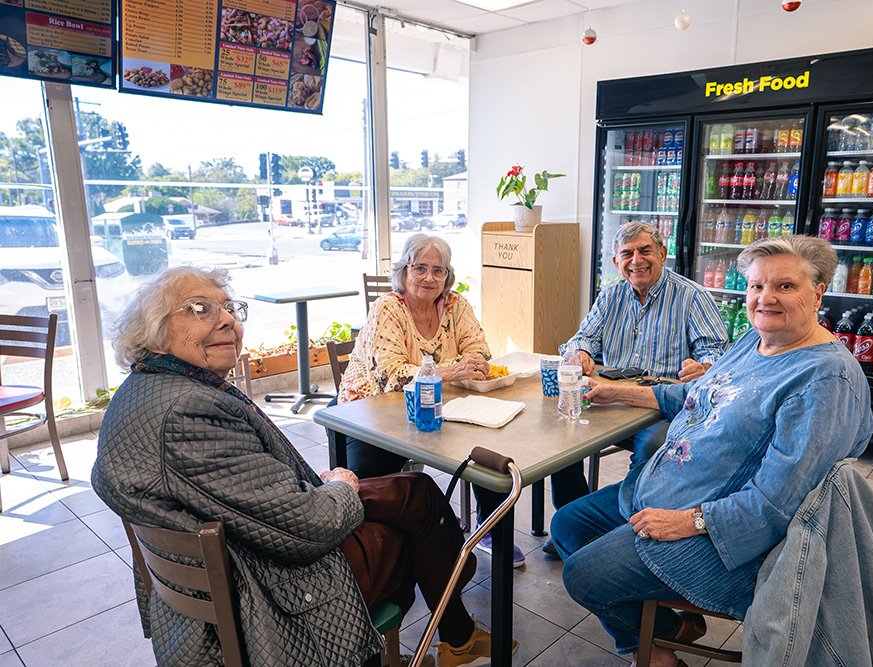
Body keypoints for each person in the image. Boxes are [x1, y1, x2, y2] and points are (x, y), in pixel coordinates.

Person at [92, 266, 511, 667]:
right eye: (201, 309)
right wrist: (340, 487)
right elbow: (311, 527)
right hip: (272, 592)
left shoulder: (146, 389)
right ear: (154, 331)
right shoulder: (186, 414)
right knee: (417, 526)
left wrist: (324, 486)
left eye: (230, 308)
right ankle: (450, 622)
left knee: (415, 491)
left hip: (252, 547)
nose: (228, 321)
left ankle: (449, 626)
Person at [550, 236, 873, 667]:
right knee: (568, 524)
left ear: (817, 293)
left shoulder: (824, 379)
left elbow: (778, 502)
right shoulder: (753, 340)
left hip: (725, 535)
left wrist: (690, 521)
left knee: (583, 575)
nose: (765, 298)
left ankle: (656, 647)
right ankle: (662, 634)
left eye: (784, 286)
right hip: (660, 492)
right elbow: (698, 393)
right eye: (757, 286)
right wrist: (619, 392)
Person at [335, 233, 528, 568]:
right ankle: (380, 548)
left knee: (488, 446)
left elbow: (480, 354)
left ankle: (489, 528)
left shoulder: (455, 305)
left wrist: (453, 370)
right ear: (404, 271)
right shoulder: (388, 308)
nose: (429, 277)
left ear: (447, 275)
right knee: (374, 475)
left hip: (441, 404)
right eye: (420, 268)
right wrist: (451, 370)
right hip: (370, 410)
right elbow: (390, 377)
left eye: (438, 270)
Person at [540, 221, 728, 558]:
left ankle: (626, 532)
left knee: (654, 445)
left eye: (645, 251)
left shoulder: (692, 297)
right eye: (627, 254)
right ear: (617, 262)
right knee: (561, 436)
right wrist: (580, 351)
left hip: (662, 408)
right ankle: (576, 522)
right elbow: (582, 338)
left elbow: (717, 356)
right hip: (611, 400)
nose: (636, 260)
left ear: (662, 254)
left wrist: (705, 367)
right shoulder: (610, 296)